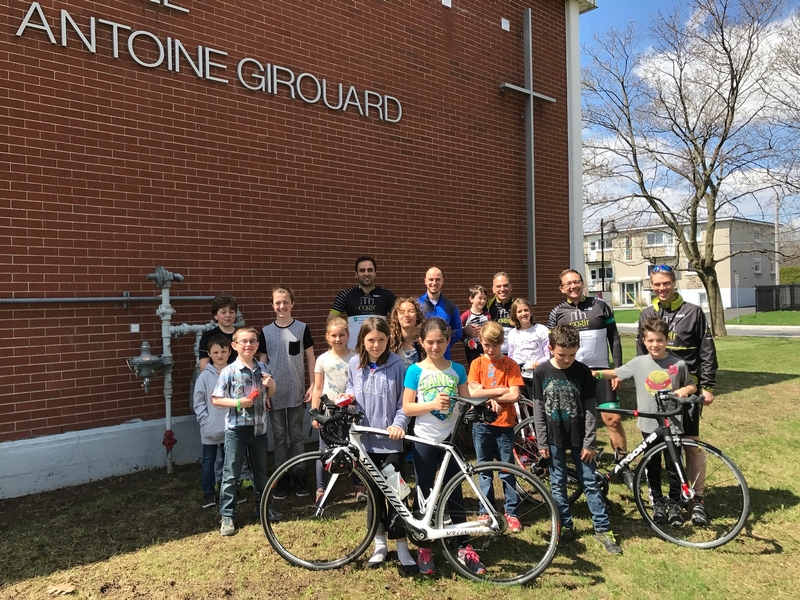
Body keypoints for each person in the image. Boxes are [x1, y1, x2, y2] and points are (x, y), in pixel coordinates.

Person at [402, 317, 486, 576]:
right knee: (424, 492)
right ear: (421, 342)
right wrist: (431, 405)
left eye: (440, 341)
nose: (435, 346)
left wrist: (484, 399)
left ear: (449, 341)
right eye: (430, 342)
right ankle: (424, 547)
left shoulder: (458, 369)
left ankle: (463, 545)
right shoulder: (415, 371)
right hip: (425, 439)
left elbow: (465, 399)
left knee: (455, 492)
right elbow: (407, 407)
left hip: (451, 439)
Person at [594, 317, 697, 525]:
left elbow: (692, 385)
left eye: (659, 340)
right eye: (650, 341)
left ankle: (675, 503)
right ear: (643, 341)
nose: (655, 345)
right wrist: (593, 374)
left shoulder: (677, 364)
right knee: (652, 466)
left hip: (673, 425)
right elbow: (615, 373)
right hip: (649, 425)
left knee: (674, 465)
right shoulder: (639, 363)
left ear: (667, 340)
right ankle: (657, 502)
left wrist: (684, 390)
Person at [637, 264, 718, 526]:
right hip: (657, 394)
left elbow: (707, 350)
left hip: (686, 391)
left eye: (666, 283)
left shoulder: (693, 312)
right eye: (656, 284)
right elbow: (641, 355)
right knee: (658, 445)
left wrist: (707, 385)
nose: (661, 288)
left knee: (691, 446)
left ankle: (697, 501)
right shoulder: (646, 314)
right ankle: (663, 498)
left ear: (674, 282)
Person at [532, 324, 621, 554]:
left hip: (581, 439)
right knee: (558, 484)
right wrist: (542, 442)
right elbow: (538, 410)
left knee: (590, 483)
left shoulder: (583, 372)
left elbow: (591, 409)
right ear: (551, 348)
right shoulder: (541, 372)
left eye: (572, 354)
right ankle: (564, 525)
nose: (567, 359)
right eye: (562, 354)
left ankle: (602, 529)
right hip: (553, 439)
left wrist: (589, 442)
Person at [343, 317, 416, 573]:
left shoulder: (398, 366)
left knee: (397, 496)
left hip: (390, 444)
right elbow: (351, 387)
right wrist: (348, 397)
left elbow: (404, 404)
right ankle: (379, 545)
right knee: (373, 497)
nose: (376, 345)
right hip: (365, 444)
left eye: (381, 340)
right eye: (371, 340)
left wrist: (399, 424)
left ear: (388, 340)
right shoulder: (354, 363)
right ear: (362, 340)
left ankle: (403, 547)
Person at [547, 269, 631, 488]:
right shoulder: (557, 312)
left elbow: (614, 338)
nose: (573, 286)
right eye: (568, 284)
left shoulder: (600, 306)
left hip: (601, 371)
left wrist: (618, 369)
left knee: (612, 419)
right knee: (576, 422)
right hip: (573, 373)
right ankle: (581, 464)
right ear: (562, 288)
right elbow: (551, 347)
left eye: (577, 282)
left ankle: (623, 463)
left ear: (583, 283)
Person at [212, 327, 277, 536]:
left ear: (257, 345)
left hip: (259, 429)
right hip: (236, 430)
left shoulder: (263, 367)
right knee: (231, 474)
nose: (248, 344)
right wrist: (239, 402)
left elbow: (269, 394)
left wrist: (272, 384)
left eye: (252, 341)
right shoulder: (229, 371)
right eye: (244, 341)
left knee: (261, 472)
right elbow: (216, 399)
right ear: (234, 346)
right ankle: (228, 516)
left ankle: (264, 508)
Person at [257, 286, 315, 499]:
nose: (282, 306)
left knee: (297, 436)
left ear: (292, 303)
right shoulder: (266, 332)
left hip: (297, 391)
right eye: (277, 303)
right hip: (274, 393)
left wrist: (312, 384)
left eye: (285, 302)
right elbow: (262, 361)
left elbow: (310, 357)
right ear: (273, 305)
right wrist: (264, 392)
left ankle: (299, 475)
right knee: (280, 437)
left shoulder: (301, 328)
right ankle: (282, 477)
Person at [466, 321, 524, 533]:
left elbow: (514, 394)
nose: (490, 350)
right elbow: (471, 393)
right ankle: (486, 509)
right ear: (480, 342)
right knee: (484, 469)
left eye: (494, 345)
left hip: (505, 423)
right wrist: (498, 393)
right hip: (482, 424)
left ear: (501, 343)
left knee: (507, 469)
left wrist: (489, 392)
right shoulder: (476, 364)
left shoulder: (510, 364)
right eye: (486, 345)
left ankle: (512, 511)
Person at [310, 316, 356, 502]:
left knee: (352, 448)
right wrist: (315, 412)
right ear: (327, 337)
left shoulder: (355, 358)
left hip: (349, 412)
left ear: (348, 335)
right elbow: (318, 388)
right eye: (334, 336)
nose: (338, 339)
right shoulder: (322, 359)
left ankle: (358, 486)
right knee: (324, 450)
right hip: (328, 413)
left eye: (341, 335)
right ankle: (321, 489)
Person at [193, 334, 231, 509]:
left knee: (228, 461)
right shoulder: (204, 377)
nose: (219, 355)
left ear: (230, 352)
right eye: (215, 352)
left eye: (223, 351)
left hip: (230, 427)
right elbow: (198, 401)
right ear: (209, 353)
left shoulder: (233, 373)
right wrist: (204, 420)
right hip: (210, 429)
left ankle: (229, 491)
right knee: (209, 462)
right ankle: (208, 493)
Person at [328, 255, 397, 350]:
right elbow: (330, 322)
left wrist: (392, 336)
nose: (366, 273)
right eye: (362, 270)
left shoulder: (386, 295)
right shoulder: (345, 295)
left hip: (379, 350)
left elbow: (399, 318)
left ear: (375, 273)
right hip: (353, 351)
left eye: (370, 270)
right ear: (356, 274)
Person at [507, 298, 550, 400]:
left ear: (530, 311)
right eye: (519, 311)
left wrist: (539, 362)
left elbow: (549, 354)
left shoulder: (541, 329)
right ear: (515, 315)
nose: (523, 313)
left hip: (538, 375)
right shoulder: (512, 334)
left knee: (539, 405)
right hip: (520, 377)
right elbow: (511, 356)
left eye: (526, 310)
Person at [417, 267, 462, 359]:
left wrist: (443, 344)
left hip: (444, 358)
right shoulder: (416, 304)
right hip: (421, 358)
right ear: (425, 281)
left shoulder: (450, 306)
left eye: (437, 279)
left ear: (442, 281)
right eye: (431, 279)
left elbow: (458, 332)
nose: (434, 283)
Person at [465, 272, 515, 354]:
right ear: (493, 289)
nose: (502, 289)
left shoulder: (518, 306)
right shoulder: (486, 305)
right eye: (498, 286)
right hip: (491, 352)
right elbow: (466, 321)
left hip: (513, 353)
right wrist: (465, 330)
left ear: (510, 288)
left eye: (505, 285)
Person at [198, 295, 239, 370]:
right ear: (215, 316)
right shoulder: (208, 336)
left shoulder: (242, 335)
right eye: (223, 312)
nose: (228, 315)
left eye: (231, 312)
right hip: (215, 377)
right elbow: (204, 366)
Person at [388, 297, 425, 367]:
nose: (406, 315)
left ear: (417, 315)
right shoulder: (389, 342)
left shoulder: (425, 342)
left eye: (411, 311)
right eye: (402, 312)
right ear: (397, 316)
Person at [460, 284, 491, 368]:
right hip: (471, 347)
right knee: (474, 366)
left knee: (486, 366)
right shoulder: (465, 315)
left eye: (484, 298)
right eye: (480, 298)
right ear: (471, 299)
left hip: (485, 346)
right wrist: (467, 342)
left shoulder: (487, 316)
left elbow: (491, 331)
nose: (483, 301)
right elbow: (459, 332)